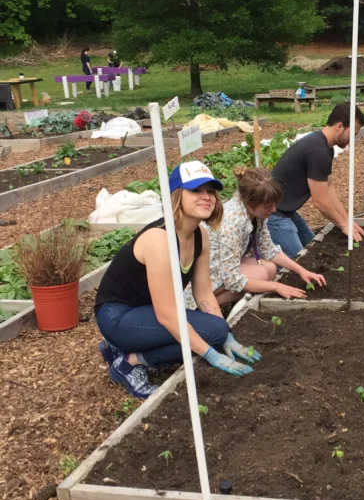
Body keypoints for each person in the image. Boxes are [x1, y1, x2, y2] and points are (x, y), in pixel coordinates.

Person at [95, 160, 259, 399]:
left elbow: (203, 294)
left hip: (144, 311)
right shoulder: (159, 240)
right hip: (117, 316)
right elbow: (167, 314)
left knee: (214, 332)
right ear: (177, 195)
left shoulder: (199, 235)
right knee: (207, 338)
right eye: (196, 191)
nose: (206, 197)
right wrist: (212, 353)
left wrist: (226, 336)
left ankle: (130, 346)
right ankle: (131, 361)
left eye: (210, 191)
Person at [209, 166, 327, 305]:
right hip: (206, 275)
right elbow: (232, 279)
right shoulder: (233, 223)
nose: (273, 209)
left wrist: (301, 270)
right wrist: (276, 286)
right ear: (249, 203)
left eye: (274, 204)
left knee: (270, 269)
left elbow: (268, 249)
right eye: (267, 206)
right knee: (262, 275)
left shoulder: (256, 212)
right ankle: (207, 305)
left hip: (222, 266)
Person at [268, 102, 364, 258]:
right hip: (274, 214)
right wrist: (342, 225)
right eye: (353, 133)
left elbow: (329, 187)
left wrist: (346, 220)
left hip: (287, 211)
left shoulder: (323, 145)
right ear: (340, 126)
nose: (353, 139)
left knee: (314, 249)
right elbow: (320, 201)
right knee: (300, 262)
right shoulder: (318, 151)